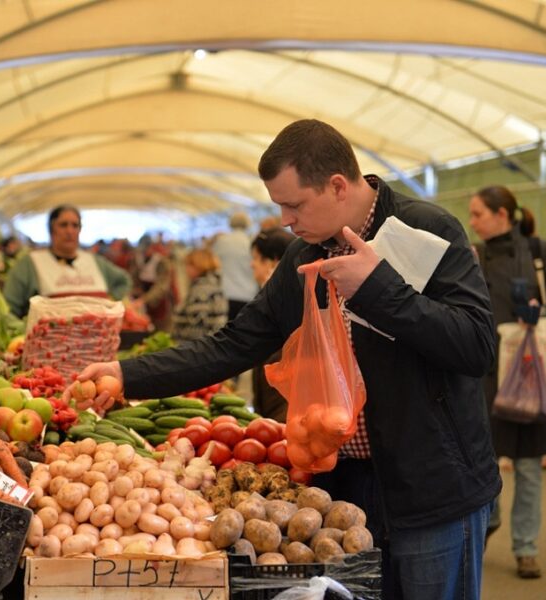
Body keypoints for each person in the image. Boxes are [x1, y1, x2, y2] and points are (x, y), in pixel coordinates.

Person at [66, 119, 501, 600]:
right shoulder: (303, 256)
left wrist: (379, 288)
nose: (285, 221)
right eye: (280, 207)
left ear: (337, 185)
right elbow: (234, 343)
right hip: (342, 491)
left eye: (294, 205)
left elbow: (475, 345)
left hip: (433, 487)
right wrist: (128, 373)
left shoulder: (428, 228)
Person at [468, 186, 546, 579]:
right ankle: (490, 522)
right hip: (482, 376)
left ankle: (526, 547)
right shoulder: (473, 255)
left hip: (529, 373)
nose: (473, 222)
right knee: (482, 460)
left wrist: (540, 312)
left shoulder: (539, 251)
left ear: (502, 214)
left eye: (478, 214)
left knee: (526, 464)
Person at [3, 204, 131, 318]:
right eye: (63, 225)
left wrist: (112, 299)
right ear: (51, 230)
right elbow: (9, 309)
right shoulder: (29, 265)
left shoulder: (95, 262)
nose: (70, 231)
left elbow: (124, 280)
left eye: (75, 225)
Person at [249, 227, 296, 421]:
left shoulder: (278, 295)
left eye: (255, 258)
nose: (252, 265)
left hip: (280, 385)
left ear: (272, 262)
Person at [171, 247, 228, 343]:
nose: (186, 269)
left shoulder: (202, 291)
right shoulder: (213, 285)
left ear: (197, 265)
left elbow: (198, 328)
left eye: (188, 265)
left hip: (195, 351)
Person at [212, 211, 259, 321]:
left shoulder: (221, 241)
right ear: (247, 224)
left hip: (225, 292)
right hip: (248, 294)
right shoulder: (251, 242)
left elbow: (214, 264)